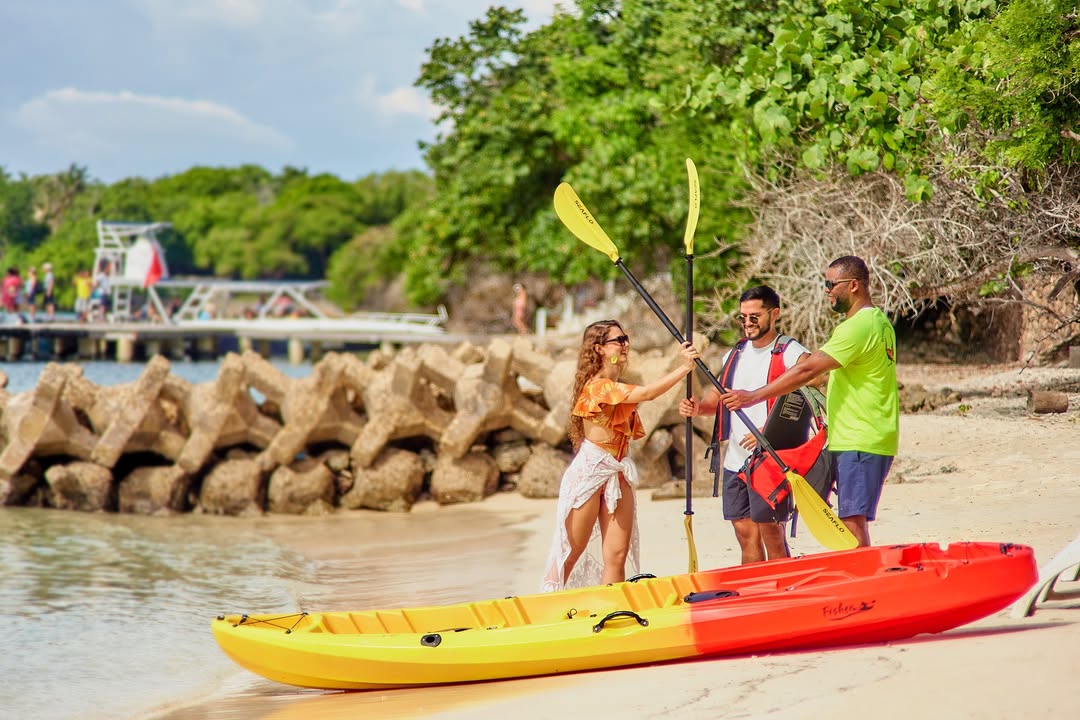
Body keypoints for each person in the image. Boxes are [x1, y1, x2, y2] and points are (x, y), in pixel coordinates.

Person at [719, 256, 898, 547]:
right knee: (850, 520)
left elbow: (807, 370)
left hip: (861, 438)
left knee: (852, 522)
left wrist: (752, 396)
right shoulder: (879, 322)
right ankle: (855, 578)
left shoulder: (859, 326)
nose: (827, 291)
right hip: (863, 436)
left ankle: (861, 584)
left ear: (853, 285)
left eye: (831, 284)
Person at [541, 319, 700, 592]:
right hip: (591, 471)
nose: (625, 345)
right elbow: (648, 393)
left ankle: (610, 607)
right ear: (600, 349)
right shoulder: (599, 387)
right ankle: (546, 603)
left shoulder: (618, 385)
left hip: (617, 468)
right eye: (618, 340)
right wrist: (683, 367)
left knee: (617, 554)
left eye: (626, 338)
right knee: (572, 548)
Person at [679, 285, 811, 564]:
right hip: (735, 460)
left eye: (755, 316)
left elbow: (809, 389)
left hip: (770, 460)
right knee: (744, 534)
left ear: (774, 314)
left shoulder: (790, 351)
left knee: (772, 533)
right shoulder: (735, 354)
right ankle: (754, 592)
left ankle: (782, 593)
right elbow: (718, 396)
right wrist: (697, 408)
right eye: (742, 318)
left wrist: (769, 433)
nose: (748, 323)